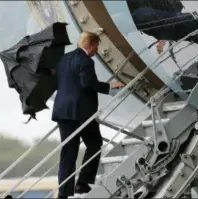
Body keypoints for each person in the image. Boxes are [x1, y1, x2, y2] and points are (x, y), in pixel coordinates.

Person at [51, 32, 124, 198]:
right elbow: (87, 83)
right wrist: (110, 87)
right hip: (81, 113)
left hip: (62, 112)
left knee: (68, 153)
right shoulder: (85, 61)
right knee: (95, 143)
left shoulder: (63, 59)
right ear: (90, 44)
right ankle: (83, 184)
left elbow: (58, 83)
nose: (97, 50)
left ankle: (64, 193)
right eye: (97, 46)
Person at [126, 0, 198, 47]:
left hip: (181, 26)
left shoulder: (139, 16)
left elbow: (164, 20)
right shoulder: (139, 17)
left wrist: (180, 18)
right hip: (180, 28)